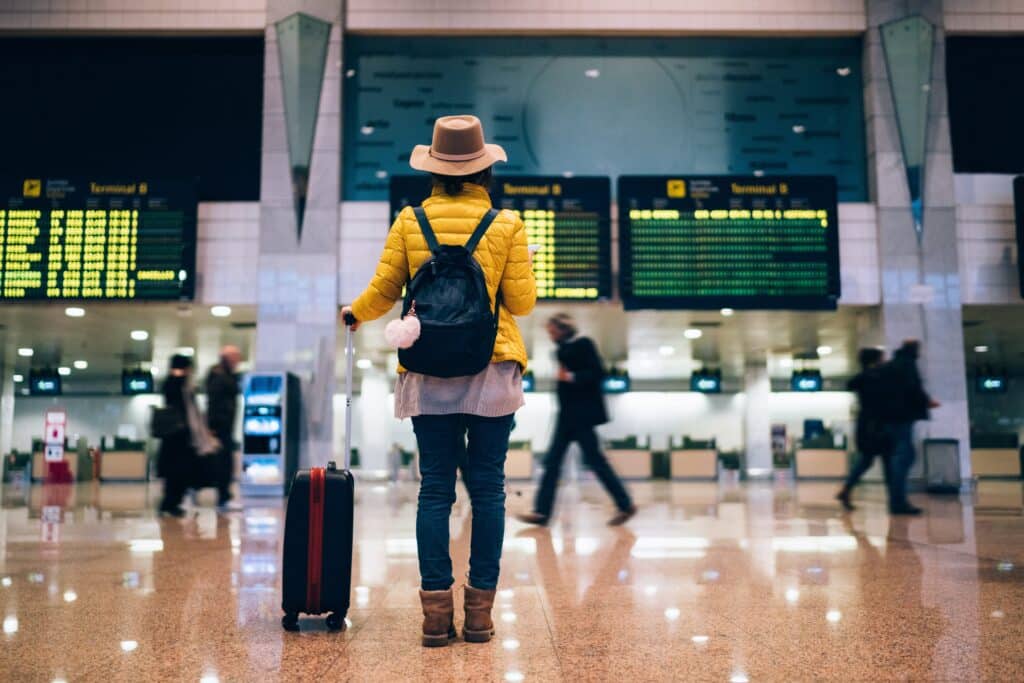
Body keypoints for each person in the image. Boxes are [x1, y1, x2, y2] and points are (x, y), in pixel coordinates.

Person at [341, 114, 536, 648]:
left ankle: (434, 616)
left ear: (433, 168)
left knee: (434, 491)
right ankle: (479, 617)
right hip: (492, 368)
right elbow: (520, 303)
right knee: (489, 491)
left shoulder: (410, 221)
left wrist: (353, 314)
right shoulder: (507, 225)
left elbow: (382, 291)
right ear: (483, 171)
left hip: (428, 369)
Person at [517, 313, 637, 528]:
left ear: (564, 329)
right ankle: (542, 512)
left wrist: (572, 377)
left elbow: (598, 372)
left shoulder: (584, 344)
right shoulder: (560, 350)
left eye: (553, 331)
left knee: (594, 461)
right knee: (553, 462)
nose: (551, 335)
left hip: (581, 416)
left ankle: (625, 504)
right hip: (566, 417)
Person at [878, 339, 939, 516]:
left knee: (897, 458)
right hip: (902, 416)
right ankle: (898, 502)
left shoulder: (890, 366)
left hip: (888, 418)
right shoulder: (908, 364)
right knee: (904, 457)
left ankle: (896, 500)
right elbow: (914, 387)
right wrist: (926, 401)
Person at [836, 347, 888, 511]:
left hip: (864, 423)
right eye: (881, 358)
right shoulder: (877, 377)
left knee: (866, 460)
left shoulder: (861, 377)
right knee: (885, 460)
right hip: (875, 424)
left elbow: (851, 384)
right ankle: (896, 499)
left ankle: (846, 489)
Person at [157, 355, 205, 517]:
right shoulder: (176, 383)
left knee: (179, 473)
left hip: (179, 436)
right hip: (177, 436)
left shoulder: (181, 385)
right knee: (177, 472)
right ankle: (170, 503)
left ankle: (173, 502)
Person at [205, 345, 243, 511]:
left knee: (225, 461)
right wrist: (212, 426)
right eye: (236, 358)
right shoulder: (219, 376)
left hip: (225, 425)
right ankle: (223, 496)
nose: (238, 361)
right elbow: (214, 403)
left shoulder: (225, 375)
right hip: (220, 427)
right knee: (223, 462)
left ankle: (224, 495)